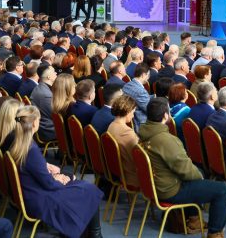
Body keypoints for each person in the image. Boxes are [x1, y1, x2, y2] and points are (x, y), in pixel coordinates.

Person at [139, 98, 226, 238]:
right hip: (169, 190)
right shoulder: (165, 140)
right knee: (221, 189)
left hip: (155, 187)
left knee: (197, 174)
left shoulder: (143, 134)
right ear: (165, 115)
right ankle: (214, 233)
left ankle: (194, 220)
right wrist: (201, 178)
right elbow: (186, 171)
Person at [8, 106, 103, 237]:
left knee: (82, 186)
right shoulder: (31, 149)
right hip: (39, 197)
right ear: (34, 123)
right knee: (89, 189)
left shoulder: (17, 142)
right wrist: (58, 179)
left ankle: (87, 233)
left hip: (29, 192)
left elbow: (34, 170)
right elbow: (49, 184)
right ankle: (95, 235)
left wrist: (50, 171)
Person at [106, 94, 140, 188]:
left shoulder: (111, 125)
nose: (133, 116)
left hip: (120, 172)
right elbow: (139, 158)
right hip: (132, 177)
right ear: (128, 111)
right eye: (133, 112)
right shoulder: (127, 133)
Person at [31, 65, 58, 141]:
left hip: (43, 125)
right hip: (48, 130)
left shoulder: (39, 87)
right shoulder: (46, 95)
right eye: (54, 71)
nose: (56, 73)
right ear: (49, 77)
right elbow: (55, 116)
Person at [122, 63, 151, 130]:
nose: (148, 78)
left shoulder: (126, 85)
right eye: (148, 75)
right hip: (141, 125)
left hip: (129, 122)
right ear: (143, 75)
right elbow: (150, 110)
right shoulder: (141, 92)